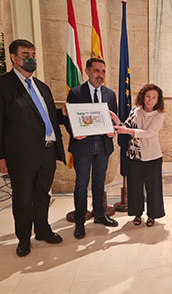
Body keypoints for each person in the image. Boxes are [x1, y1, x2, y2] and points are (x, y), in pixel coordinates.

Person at [0, 39, 66, 257]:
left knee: (42, 194)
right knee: (22, 197)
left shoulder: (42, 87)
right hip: (21, 155)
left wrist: (65, 115)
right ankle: (23, 239)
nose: (30, 58)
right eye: (25, 54)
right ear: (13, 57)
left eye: (33, 54)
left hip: (48, 151)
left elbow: (46, 118)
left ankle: (42, 229)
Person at [62, 58, 118, 240]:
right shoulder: (76, 93)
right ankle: (80, 221)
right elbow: (69, 120)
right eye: (96, 71)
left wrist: (113, 132)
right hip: (82, 147)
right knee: (81, 184)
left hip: (103, 147)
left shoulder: (110, 94)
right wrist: (74, 133)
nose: (100, 75)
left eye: (103, 71)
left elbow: (114, 119)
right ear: (87, 71)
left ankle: (100, 215)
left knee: (99, 183)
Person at [111, 84, 165, 227]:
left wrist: (128, 131)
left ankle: (152, 215)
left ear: (158, 100)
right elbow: (126, 126)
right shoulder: (135, 111)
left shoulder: (159, 115)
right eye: (148, 96)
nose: (150, 100)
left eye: (154, 98)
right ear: (143, 96)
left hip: (152, 157)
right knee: (134, 187)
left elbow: (149, 133)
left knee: (153, 188)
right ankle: (137, 214)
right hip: (134, 157)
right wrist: (116, 120)